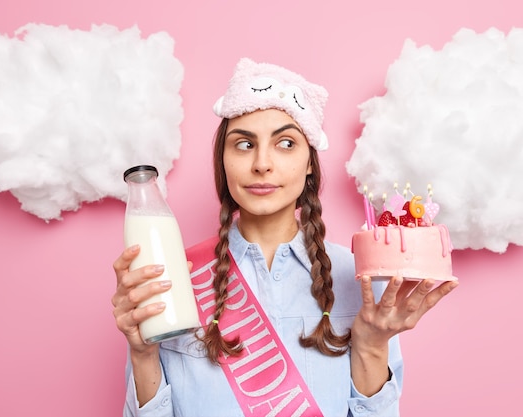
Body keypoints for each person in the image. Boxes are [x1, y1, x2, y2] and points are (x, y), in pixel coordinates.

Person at [112, 58, 458, 417]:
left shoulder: (360, 277)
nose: (262, 163)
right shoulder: (176, 276)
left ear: (310, 161)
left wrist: (371, 346)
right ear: (223, 161)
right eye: (244, 145)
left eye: (286, 143)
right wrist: (142, 353)